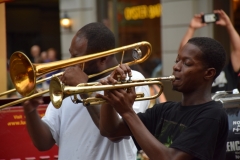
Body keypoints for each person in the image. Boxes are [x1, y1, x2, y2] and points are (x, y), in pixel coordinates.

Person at [22, 22, 150, 160]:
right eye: (71, 54)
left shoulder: (132, 80)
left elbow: (115, 133)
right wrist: (30, 111)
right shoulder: (66, 86)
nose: (70, 63)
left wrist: (82, 87)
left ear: (102, 59)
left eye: (77, 57)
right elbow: (43, 143)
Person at [98, 37, 229, 160]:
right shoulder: (165, 110)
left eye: (187, 63)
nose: (176, 67)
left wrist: (127, 112)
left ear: (209, 73)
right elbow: (111, 132)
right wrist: (109, 97)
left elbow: (170, 158)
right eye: (177, 61)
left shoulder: (212, 115)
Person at [178, 9, 240, 93]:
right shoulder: (199, 72)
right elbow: (184, 54)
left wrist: (228, 25)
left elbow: (238, 50)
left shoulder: (229, 71)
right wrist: (191, 28)